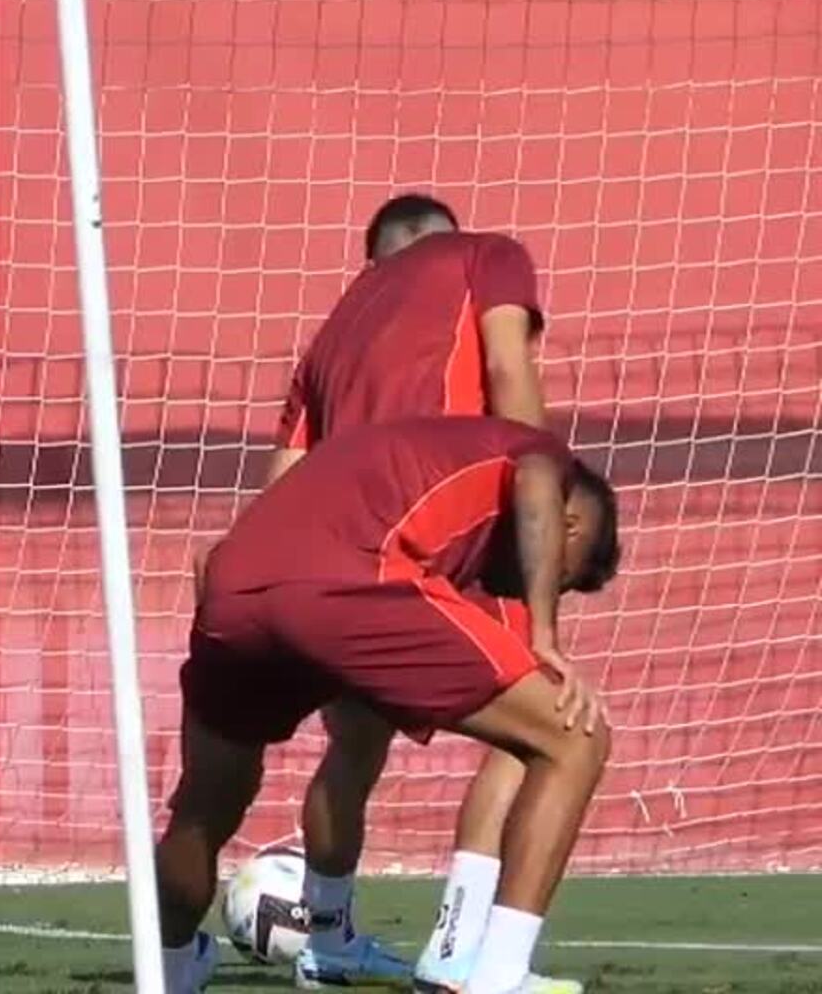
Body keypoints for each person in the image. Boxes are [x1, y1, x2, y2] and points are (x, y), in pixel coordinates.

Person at [201, 194, 571, 990]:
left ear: (376, 262)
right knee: (540, 729)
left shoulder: (330, 338)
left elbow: (281, 488)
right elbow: (510, 369)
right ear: (440, 242)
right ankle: (464, 947)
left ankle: (329, 940)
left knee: (355, 742)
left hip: (346, 561)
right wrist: (548, 495)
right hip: (459, 521)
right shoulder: (486, 255)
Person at [160, 416, 621, 994]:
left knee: (203, 812)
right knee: (575, 736)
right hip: (348, 583)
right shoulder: (540, 456)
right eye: (563, 578)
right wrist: (544, 635)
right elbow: (535, 484)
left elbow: (214, 560)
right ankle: (498, 978)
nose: (542, 586)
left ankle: (171, 973)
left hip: (231, 592)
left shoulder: (388, 461)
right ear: (569, 524)